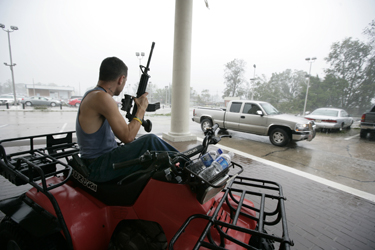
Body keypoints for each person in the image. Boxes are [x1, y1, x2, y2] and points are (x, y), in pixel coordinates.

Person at [76, 57, 177, 183]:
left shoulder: (93, 94)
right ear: (121, 79)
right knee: (150, 141)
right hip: (98, 165)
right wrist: (141, 109)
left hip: (101, 160)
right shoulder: (102, 98)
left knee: (148, 151)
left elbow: (126, 134)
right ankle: (189, 166)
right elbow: (127, 137)